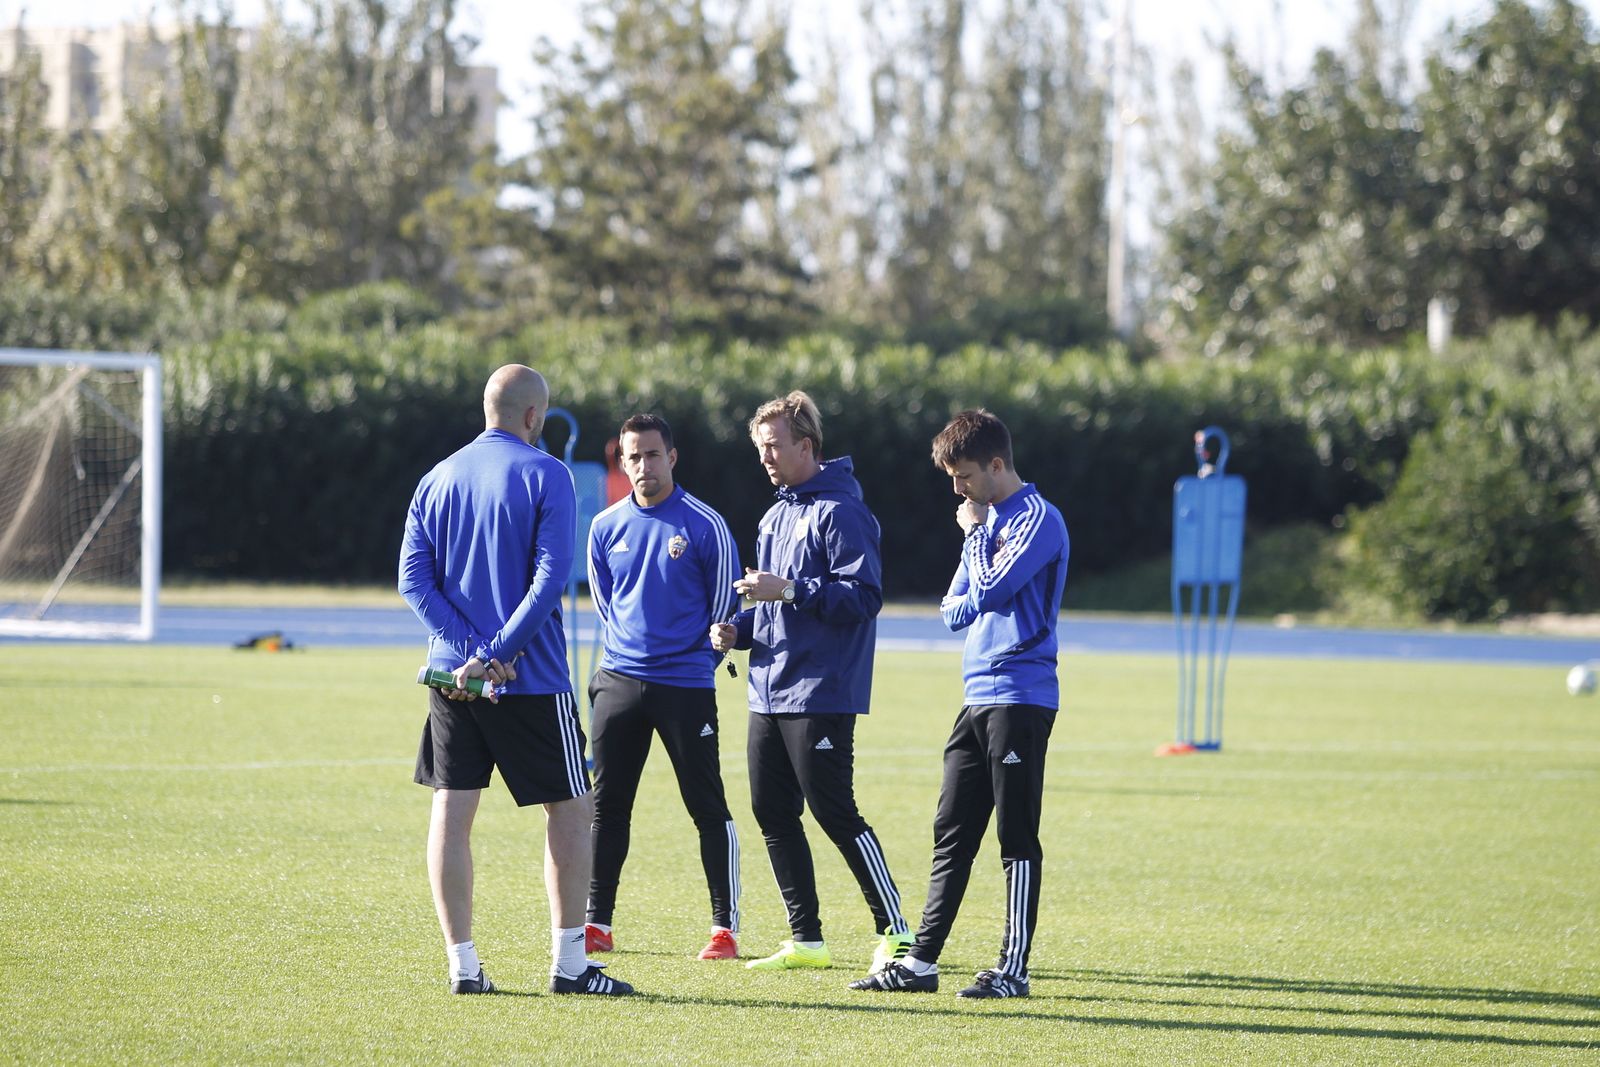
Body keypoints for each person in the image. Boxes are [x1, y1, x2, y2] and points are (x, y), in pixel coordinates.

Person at [398, 364, 634, 997]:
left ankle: (463, 967)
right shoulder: (547, 473)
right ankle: (569, 964)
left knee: (452, 811)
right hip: (527, 676)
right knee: (572, 808)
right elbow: (552, 577)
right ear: (536, 417)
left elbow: (412, 582)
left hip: (451, 675)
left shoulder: (436, 477)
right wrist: (496, 652)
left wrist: (468, 652)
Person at [850, 409, 1068, 999]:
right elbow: (952, 610)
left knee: (1016, 835)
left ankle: (1013, 970)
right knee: (952, 830)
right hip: (976, 696)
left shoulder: (1036, 520)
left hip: (1020, 695)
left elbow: (993, 589)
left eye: (965, 476)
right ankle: (921, 963)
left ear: (997, 465)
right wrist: (977, 557)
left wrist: (974, 537)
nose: (958, 490)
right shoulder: (988, 524)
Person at [710, 390, 912, 975]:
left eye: (774, 446)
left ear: (806, 444)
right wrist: (737, 629)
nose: (766, 456)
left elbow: (865, 597)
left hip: (822, 689)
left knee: (833, 810)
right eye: (760, 448)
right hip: (768, 689)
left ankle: (897, 931)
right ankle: (807, 940)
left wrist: (790, 589)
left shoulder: (842, 511)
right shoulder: (775, 513)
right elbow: (771, 606)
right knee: (771, 811)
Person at [583, 413, 744, 961]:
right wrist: (628, 656)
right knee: (606, 807)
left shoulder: (705, 525)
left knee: (705, 804)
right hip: (619, 682)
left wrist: (697, 656)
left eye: (653, 455)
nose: (644, 466)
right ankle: (595, 923)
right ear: (622, 461)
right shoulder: (605, 527)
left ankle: (725, 928)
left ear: (671, 457)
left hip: (685, 686)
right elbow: (607, 604)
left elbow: (726, 609)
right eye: (634, 457)